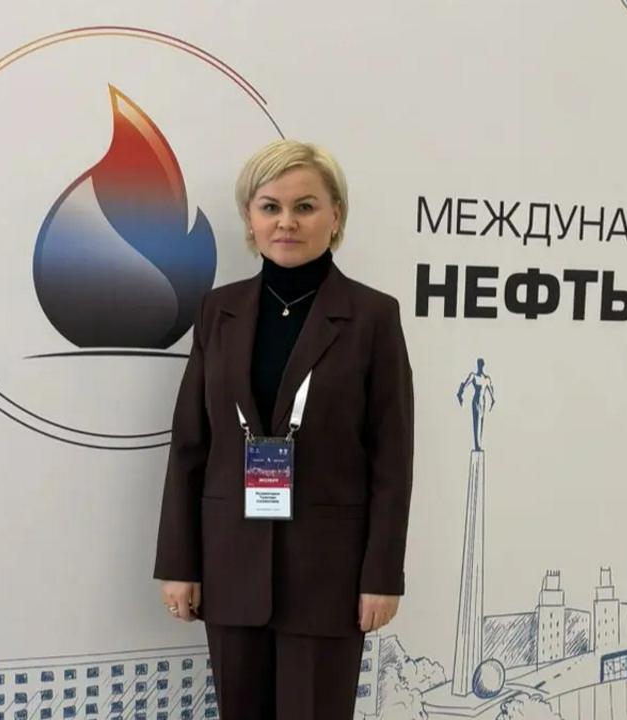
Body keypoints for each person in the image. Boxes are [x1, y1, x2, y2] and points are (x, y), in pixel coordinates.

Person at [153, 139, 415, 719]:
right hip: (231, 565)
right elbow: (190, 446)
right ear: (250, 218)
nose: (286, 222)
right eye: (270, 206)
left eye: (305, 206)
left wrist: (382, 575)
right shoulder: (216, 311)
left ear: (335, 215)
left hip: (329, 576)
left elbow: (392, 460)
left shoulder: (373, 316)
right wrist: (178, 562)